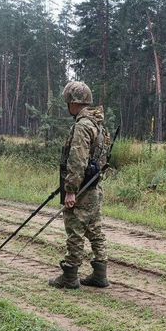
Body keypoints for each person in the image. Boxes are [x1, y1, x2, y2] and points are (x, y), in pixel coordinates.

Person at [49, 81, 109, 290]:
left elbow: (77, 160)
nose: (67, 106)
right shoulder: (97, 124)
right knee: (95, 229)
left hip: (83, 187)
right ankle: (100, 274)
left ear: (74, 103)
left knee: (75, 229)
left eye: (68, 102)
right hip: (94, 186)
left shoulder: (82, 126)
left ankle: (70, 276)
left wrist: (71, 191)